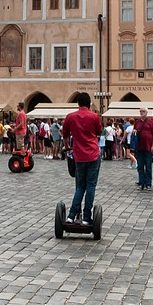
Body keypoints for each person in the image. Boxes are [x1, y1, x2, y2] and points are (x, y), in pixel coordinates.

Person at [62, 92, 104, 222]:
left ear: (78, 103)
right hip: (92, 154)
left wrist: (67, 146)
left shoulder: (70, 117)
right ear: (89, 103)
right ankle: (87, 217)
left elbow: (65, 134)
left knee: (80, 186)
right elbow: (99, 132)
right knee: (90, 186)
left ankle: (71, 215)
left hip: (79, 156)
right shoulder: (94, 116)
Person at [132, 107, 153, 190]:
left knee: (148, 166)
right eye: (140, 111)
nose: (141, 112)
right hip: (139, 147)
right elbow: (134, 132)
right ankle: (141, 183)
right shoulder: (137, 122)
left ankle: (148, 183)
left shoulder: (150, 122)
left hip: (148, 147)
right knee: (140, 166)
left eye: (143, 111)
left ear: (146, 112)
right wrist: (134, 132)